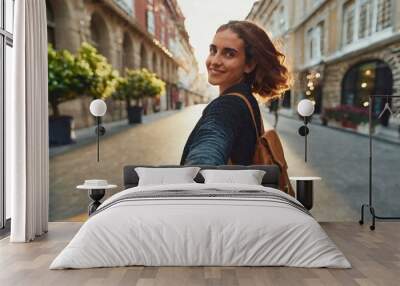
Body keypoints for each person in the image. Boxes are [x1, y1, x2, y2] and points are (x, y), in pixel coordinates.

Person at [180, 20, 291, 166]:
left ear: (249, 65)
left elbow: (208, 149)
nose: (214, 61)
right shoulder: (246, 99)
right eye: (213, 50)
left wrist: (196, 172)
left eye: (229, 54)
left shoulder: (227, 107)